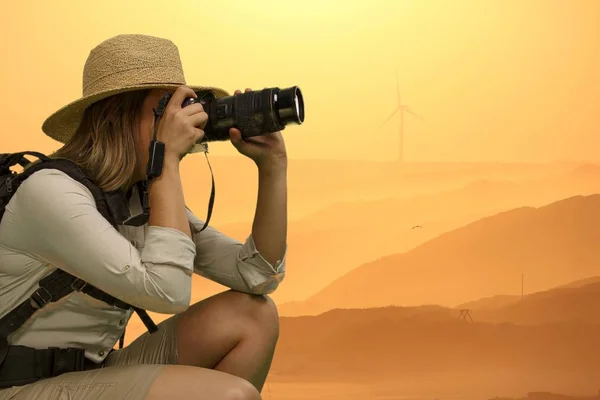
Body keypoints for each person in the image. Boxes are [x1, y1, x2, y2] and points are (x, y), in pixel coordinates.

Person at [0, 34, 287, 400]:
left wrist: (273, 168)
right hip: (17, 388)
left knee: (253, 314)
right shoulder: (52, 193)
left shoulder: (137, 198)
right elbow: (167, 292)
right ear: (116, 116)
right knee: (230, 394)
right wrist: (164, 159)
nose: (185, 120)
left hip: (94, 373)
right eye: (168, 109)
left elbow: (258, 274)